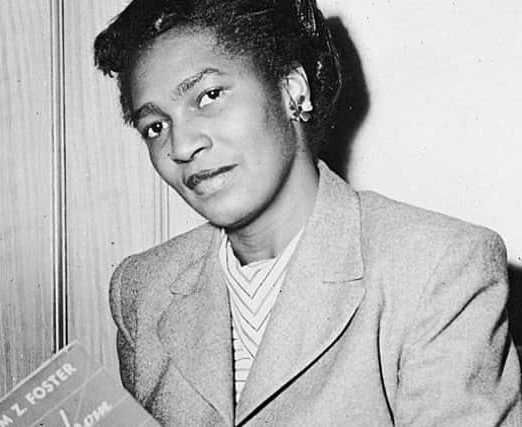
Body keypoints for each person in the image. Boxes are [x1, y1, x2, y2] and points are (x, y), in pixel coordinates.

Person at [93, 0, 522, 425]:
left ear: (292, 90)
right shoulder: (141, 290)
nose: (181, 146)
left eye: (209, 96)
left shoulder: (439, 268)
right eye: (155, 126)